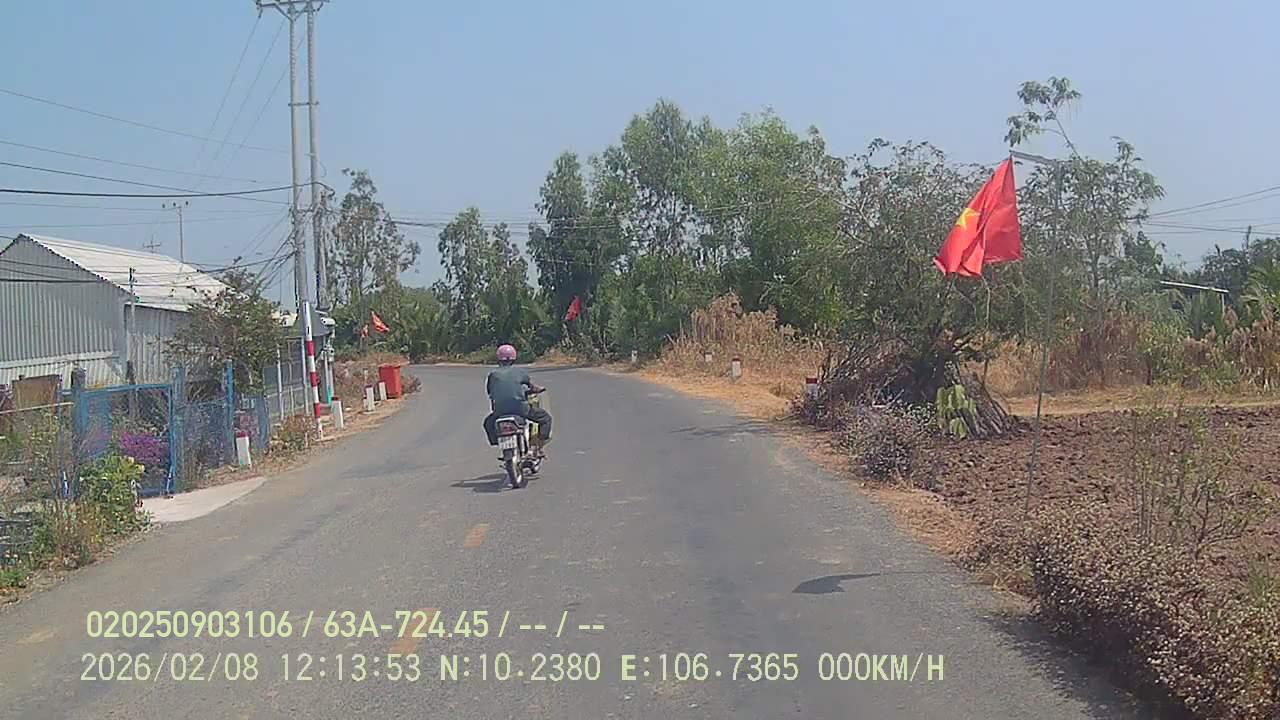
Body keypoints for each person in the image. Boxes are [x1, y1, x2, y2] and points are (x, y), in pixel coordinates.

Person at [483, 344, 552, 455]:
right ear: (514, 358)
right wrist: (537, 389)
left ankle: (497, 441)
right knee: (545, 418)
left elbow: (490, 392)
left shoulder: (493, 375)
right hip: (520, 409)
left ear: (498, 358)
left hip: (499, 411)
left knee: (487, 423)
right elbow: (531, 386)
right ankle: (538, 445)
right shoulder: (520, 372)